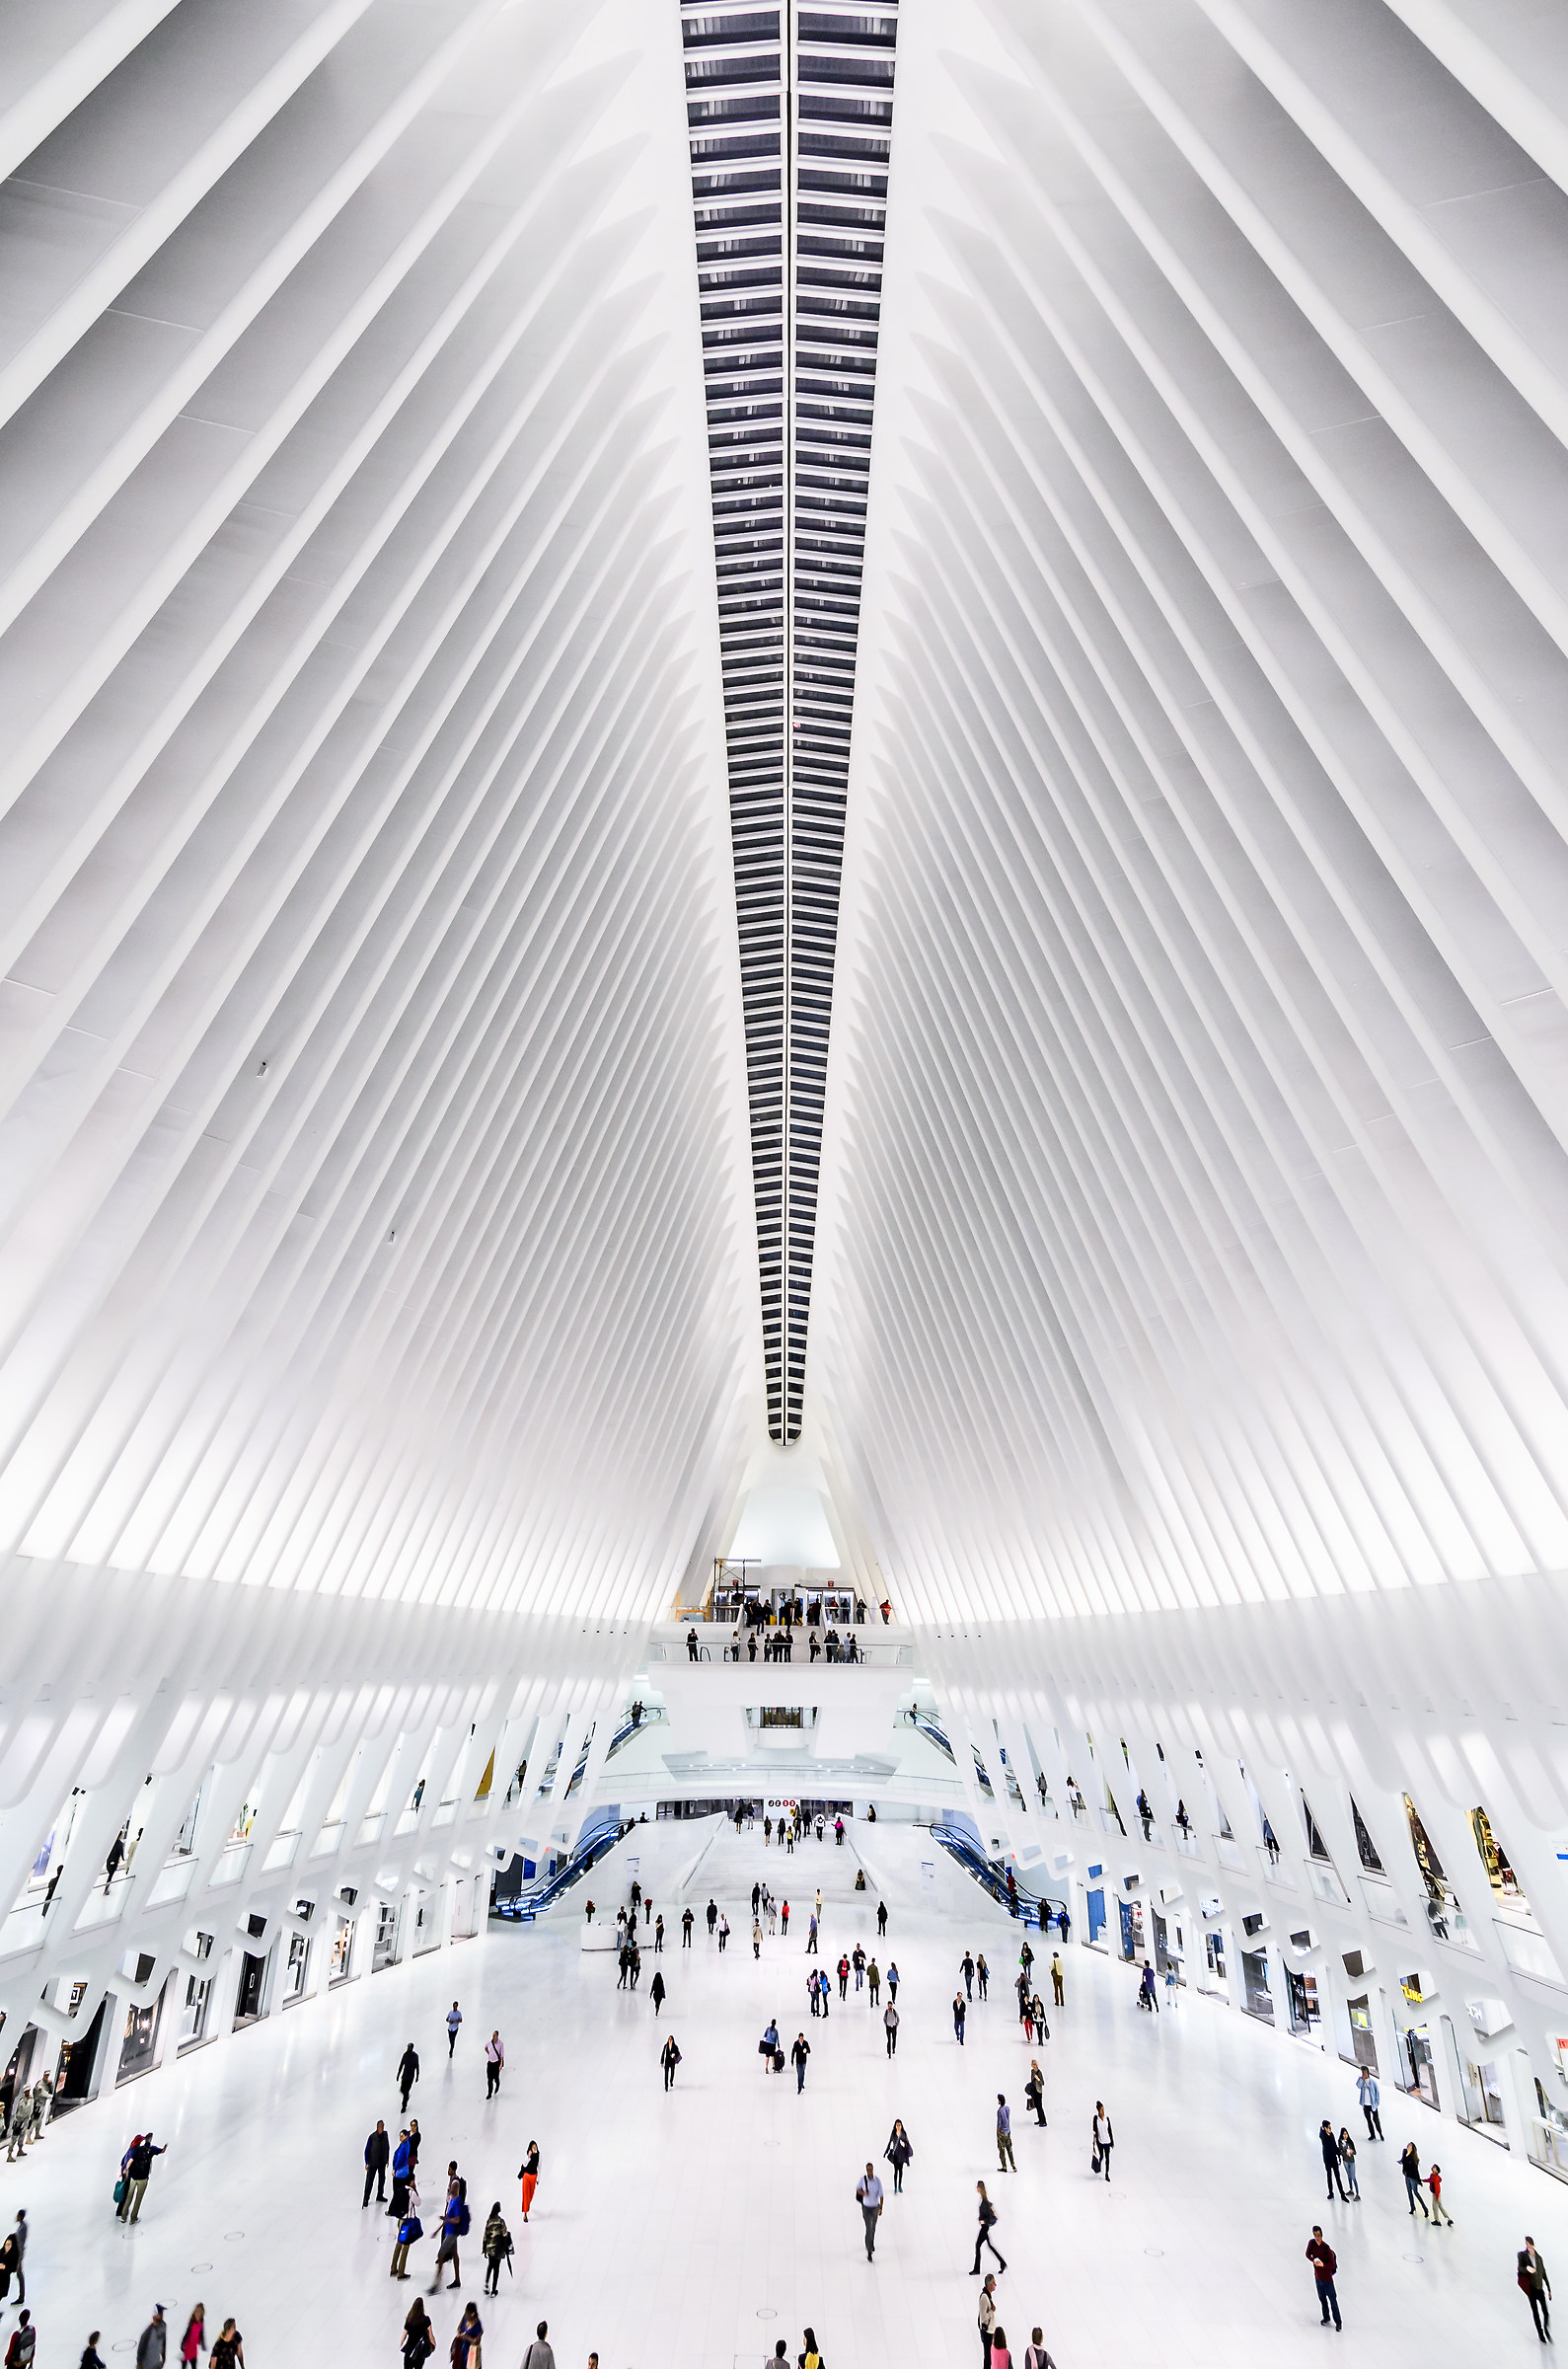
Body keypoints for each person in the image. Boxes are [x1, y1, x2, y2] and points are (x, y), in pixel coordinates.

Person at [120, 2130, 167, 2222]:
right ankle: (133, 2218)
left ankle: (124, 2216)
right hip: (143, 2178)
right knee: (138, 2199)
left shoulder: (138, 2149)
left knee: (129, 2196)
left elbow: (130, 2161)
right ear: (150, 2140)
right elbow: (162, 2151)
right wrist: (165, 2146)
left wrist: (126, 2170)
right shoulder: (152, 2149)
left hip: (134, 2177)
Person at [430, 2181, 466, 2292]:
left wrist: (447, 2220)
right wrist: (437, 2230)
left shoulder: (457, 2202)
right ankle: (457, 2280)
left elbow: (457, 2219)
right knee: (455, 2255)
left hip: (452, 2233)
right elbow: (448, 2217)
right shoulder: (452, 2200)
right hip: (450, 2231)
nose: (449, 2189)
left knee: (441, 2254)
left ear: (455, 2189)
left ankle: (437, 2284)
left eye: (450, 2187)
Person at [1306, 2227, 1341, 2330]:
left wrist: (1322, 2265)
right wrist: (1313, 2260)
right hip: (1318, 2277)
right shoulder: (1312, 2244)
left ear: (1322, 2235)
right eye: (1315, 2235)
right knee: (1322, 2299)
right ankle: (1326, 2317)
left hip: (1327, 2279)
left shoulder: (1327, 2249)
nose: (1317, 2238)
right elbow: (1307, 2254)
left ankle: (1338, 2322)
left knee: (1332, 2300)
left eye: (1319, 2236)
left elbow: (1332, 2265)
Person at [1521, 2237, 1552, 2342]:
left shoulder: (1539, 2258)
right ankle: (1540, 2333)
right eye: (1526, 2244)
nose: (1528, 2246)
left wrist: (1549, 2289)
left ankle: (1546, 2329)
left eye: (1529, 2244)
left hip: (1539, 2288)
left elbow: (1543, 2273)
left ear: (1532, 2244)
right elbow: (1520, 2268)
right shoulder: (1523, 2256)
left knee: (1546, 2312)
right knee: (1536, 2312)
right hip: (1531, 2289)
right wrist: (1526, 2269)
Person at [971, 2180, 1007, 2274]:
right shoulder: (983, 2200)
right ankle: (1002, 2263)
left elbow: (988, 2216)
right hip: (985, 2227)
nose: (976, 2188)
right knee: (990, 2246)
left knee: (978, 2245)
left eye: (977, 2187)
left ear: (980, 2188)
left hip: (985, 2227)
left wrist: (983, 2221)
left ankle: (977, 2269)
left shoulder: (985, 2202)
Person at [391, 2184, 423, 2279]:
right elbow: (418, 2203)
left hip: (400, 2221)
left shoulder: (400, 2189)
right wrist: (416, 2190)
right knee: (405, 2247)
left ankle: (393, 2268)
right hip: (407, 2223)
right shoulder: (411, 2192)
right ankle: (401, 2272)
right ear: (412, 2181)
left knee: (398, 2244)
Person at [482, 2201, 513, 2294]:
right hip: (498, 2248)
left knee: (490, 2266)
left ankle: (486, 2284)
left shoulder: (489, 2220)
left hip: (489, 2247)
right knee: (496, 2268)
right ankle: (494, 2290)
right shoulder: (500, 2221)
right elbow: (504, 2234)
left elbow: (485, 2235)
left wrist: (484, 2249)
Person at [856, 2162, 883, 2260]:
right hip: (866, 2208)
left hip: (875, 2207)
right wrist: (863, 2193)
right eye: (868, 2170)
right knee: (869, 2228)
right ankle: (869, 2250)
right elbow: (857, 2189)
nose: (870, 2171)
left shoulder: (877, 2181)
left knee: (873, 2227)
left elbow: (881, 2195)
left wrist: (881, 2208)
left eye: (871, 2169)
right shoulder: (863, 2180)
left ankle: (871, 2242)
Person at [1400, 2138, 1430, 2219]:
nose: (1408, 2147)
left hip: (1413, 2177)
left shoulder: (1413, 2158)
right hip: (1407, 2176)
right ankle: (1412, 2207)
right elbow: (1403, 2162)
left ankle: (1425, 2208)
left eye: (1410, 2146)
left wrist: (1419, 2180)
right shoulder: (1405, 2154)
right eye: (1408, 2146)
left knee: (1415, 2192)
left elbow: (1415, 2170)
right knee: (1409, 2192)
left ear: (1413, 2149)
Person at [364, 2118, 390, 2206]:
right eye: (380, 2127)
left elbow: (387, 2147)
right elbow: (366, 2151)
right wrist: (367, 2163)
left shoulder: (386, 2135)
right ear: (377, 2127)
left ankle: (380, 2195)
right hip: (373, 2163)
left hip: (382, 2162)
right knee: (370, 2181)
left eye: (383, 2127)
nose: (381, 2128)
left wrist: (387, 2159)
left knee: (382, 2179)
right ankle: (366, 2198)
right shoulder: (372, 2137)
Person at [1319, 2118, 1347, 2201]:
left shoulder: (1331, 2135)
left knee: (1338, 2177)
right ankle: (1331, 2193)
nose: (1330, 2129)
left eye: (1330, 2128)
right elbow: (1321, 2135)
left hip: (1333, 2159)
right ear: (1325, 2128)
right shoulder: (1323, 2136)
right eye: (1328, 2128)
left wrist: (1339, 2154)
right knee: (1329, 2176)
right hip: (1327, 2159)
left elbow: (1334, 2146)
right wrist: (1322, 2129)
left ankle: (1342, 2194)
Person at [402, 2300, 435, 2366]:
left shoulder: (409, 2319)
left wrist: (401, 2343)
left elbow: (404, 2334)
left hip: (410, 2349)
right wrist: (433, 2344)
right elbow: (431, 2334)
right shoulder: (426, 2320)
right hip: (420, 2350)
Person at [885, 2119, 913, 2192]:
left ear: (901, 2126)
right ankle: (895, 2187)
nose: (898, 2127)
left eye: (899, 2125)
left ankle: (899, 2186)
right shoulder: (893, 2134)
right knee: (895, 2171)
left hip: (902, 2155)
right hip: (895, 2155)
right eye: (897, 2125)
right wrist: (886, 2151)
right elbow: (889, 2142)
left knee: (900, 2171)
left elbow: (907, 2143)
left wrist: (904, 2144)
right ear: (895, 2126)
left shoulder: (903, 2133)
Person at [453, 2302, 483, 2367]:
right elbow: (459, 2327)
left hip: (471, 2353)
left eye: (468, 2314)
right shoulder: (465, 2317)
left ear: (472, 2314)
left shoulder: (477, 2325)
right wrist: (459, 2332)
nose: (466, 2315)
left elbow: (477, 2341)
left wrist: (466, 2337)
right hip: (462, 2351)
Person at [1356, 2066, 1382, 2139]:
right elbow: (1358, 2086)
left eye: (1364, 2072)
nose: (1363, 2074)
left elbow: (1377, 2093)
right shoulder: (1361, 2081)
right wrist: (1361, 2079)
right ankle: (1372, 2135)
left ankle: (1380, 2133)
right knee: (1368, 2120)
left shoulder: (1373, 2082)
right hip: (1365, 2105)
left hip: (1373, 2105)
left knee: (1376, 2120)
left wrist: (1376, 2103)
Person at [978, 2278, 998, 2369]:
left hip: (990, 2331)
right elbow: (983, 2317)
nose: (995, 2285)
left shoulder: (988, 2296)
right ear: (989, 2285)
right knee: (988, 2357)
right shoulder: (984, 2298)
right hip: (987, 2333)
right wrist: (991, 2311)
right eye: (994, 2283)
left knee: (989, 2356)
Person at [1091, 2102, 1113, 2181]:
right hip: (1100, 2141)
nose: (1103, 2111)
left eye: (1103, 2109)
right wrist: (1094, 2141)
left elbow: (1110, 2130)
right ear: (1098, 2110)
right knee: (1101, 2156)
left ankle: (1107, 2173)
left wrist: (1112, 2141)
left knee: (1108, 2158)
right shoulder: (1096, 2119)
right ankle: (1099, 2164)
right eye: (1101, 2110)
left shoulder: (1107, 2119)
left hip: (1107, 2141)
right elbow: (1094, 2130)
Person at [1337, 2127, 1360, 2199]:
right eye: (1344, 2134)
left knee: (1353, 2177)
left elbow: (1355, 2152)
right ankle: (1351, 2189)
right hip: (1345, 2161)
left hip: (1351, 2161)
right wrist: (1345, 2154)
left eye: (1346, 2134)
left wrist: (1351, 2152)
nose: (1345, 2135)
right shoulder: (1340, 2142)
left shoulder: (1350, 2142)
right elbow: (1340, 2151)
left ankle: (1357, 2194)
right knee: (1349, 2176)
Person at [520, 2140, 540, 2219]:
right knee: (525, 2194)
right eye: (533, 2147)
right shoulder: (528, 2154)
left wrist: (538, 2178)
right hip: (526, 2176)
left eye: (536, 2147)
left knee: (531, 2194)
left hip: (533, 2176)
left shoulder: (539, 2155)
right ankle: (525, 2214)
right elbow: (524, 2164)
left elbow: (540, 2167)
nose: (535, 2149)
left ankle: (527, 2206)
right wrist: (529, 2157)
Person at [1428, 2162, 1453, 2226]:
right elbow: (1430, 2180)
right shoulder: (1432, 2175)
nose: (1433, 2168)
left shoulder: (1435, 2178)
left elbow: (1437, 2188)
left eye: (1435, 2168)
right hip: (1435, 2194)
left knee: (1434, 2207)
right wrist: (1423, 2180)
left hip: (1436, 2194)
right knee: (1440, 2207)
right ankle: (1449, 2219)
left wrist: (1437, 2196)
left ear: (1437, 2171)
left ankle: (1437, 2221)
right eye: (1433, 2167)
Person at [996, 2094, 1015, 2173]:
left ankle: (1004, 2166)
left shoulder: (999, 2111)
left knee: (1002, 2149)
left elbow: (999, 2123)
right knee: (1009, 2148)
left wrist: (997, 2131)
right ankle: (1013, 2164)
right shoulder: (1007, 2108)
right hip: (1008, 2131)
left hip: (1002, 2132)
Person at [399, 2040, 420, 2111]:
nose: (408, 2048)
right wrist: (398, 2073)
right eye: (407, 2047)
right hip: (404, 2076)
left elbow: (417, 2066)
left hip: (410, 2077)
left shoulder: (415, 2056)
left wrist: (417, 2075)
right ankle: (406, 2096)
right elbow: (401, 2064)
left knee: (406, 2091)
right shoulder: (405, 2055)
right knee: (402, 2089)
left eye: (409, 2047)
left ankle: (404, 2106)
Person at [1024, 2061, 1045, 2126]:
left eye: (1035, 2064)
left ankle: (1043, 2121)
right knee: (1036, 2106)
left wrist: (1038, 2079)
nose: (1034, 2066)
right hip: (1034, 2091)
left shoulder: (1039, 2072)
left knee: (1040, 2106)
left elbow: (1042, 2083)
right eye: (1033, 2064)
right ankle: (1040, 2120)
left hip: (1038, 2091)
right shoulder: (1032, 2071)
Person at [485, 2030, 504, 2097]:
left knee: (496, 2078)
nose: (493, 2037)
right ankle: (489, 2093)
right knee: (489, 2079)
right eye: (493, 2036)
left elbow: (501, 2055)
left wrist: (501, 2064)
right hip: (490, 2063)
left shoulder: (500, 2044)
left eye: (495, 2036)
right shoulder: (489, 2043)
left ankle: (497, 2084)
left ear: (497, 2036)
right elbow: (485, 2048)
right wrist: (489, 2054)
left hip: (496, 2063)